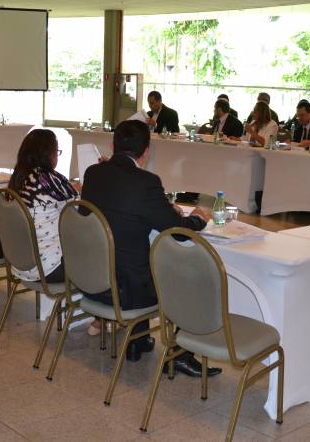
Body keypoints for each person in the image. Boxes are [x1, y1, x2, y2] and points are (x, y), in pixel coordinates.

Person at [81, 120, 219, 376]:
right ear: (146, 152)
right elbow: (177, 232)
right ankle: (181, 354)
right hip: (126, 291)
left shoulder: (93, 173)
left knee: (135, 255)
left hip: (92, 281)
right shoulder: (146, 182)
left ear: (113, 145)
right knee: (185, 273)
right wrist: (198, 218)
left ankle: (139, 341)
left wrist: (161, 210)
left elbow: (119, 213)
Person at [6, 129, 77, 284]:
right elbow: (78, 212)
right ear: (49, 154)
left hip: (21, 265)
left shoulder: (18, 178)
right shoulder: (50, 180)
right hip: (48, 268)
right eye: (56, 151)